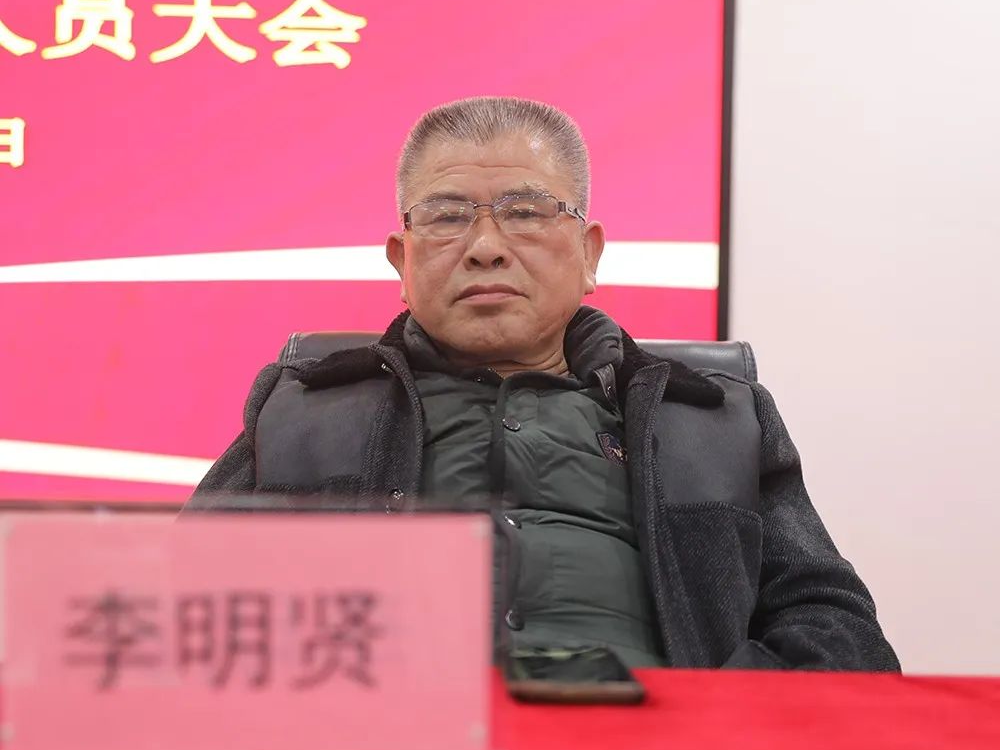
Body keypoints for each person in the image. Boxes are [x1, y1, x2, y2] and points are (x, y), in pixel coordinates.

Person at [186, 95, 901, 672]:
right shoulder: (305, 410)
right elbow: (178, 605)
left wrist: (712, 724)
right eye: (447, 217)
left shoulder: (712, 418)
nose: (486, 247)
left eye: (526, 213)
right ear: (401, 261)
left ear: (589, 253)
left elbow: (836, 626)